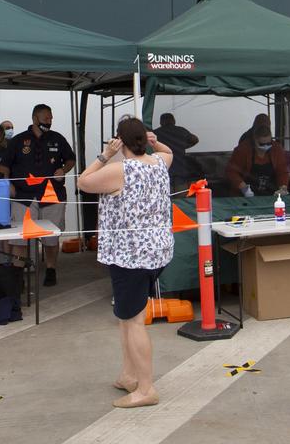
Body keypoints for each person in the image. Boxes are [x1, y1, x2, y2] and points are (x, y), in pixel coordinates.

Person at [77, 117, 174, 409]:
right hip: (157, 252)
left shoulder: (119, 169)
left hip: (129, 256)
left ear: (120, 140)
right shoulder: (158, 164)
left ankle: (146, 388)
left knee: (133, 321)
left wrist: (105, 155)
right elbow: (170, 153)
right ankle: (129, 375)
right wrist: (155, 141)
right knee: (127, 315)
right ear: (144, 139)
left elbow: (83, 182)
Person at [0, 104, 75, 286]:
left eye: (51, 118)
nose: (49, 121)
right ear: (35, 118)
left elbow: (71, 159)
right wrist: (7, 183)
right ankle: (18, 273)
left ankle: (51, 270)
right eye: (46, 118)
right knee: (20, 237)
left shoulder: (57, 138)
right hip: (23, 197)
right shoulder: (18, 141)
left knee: (51, 237)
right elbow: (4, 166)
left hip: (52, 196)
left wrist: (63, 169)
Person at [225, 124, 289, 197]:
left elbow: (282, 171)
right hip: (244, 196)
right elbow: (231, 172)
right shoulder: (242, 150)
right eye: (262, 144)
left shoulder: (276, 149)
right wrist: (244, 188)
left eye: (269, 143)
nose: (265, 146)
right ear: (255, 140)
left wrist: (283, 188)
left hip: (271, 194)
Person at [154, 113, 201, 191]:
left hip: (165, 169)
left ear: (161, 122)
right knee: (181, 197)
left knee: (167, 195)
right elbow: (195, 139)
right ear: (174, 121)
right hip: (181, 168)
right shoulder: (181, 131)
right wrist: (184, 146)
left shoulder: (156, 133)